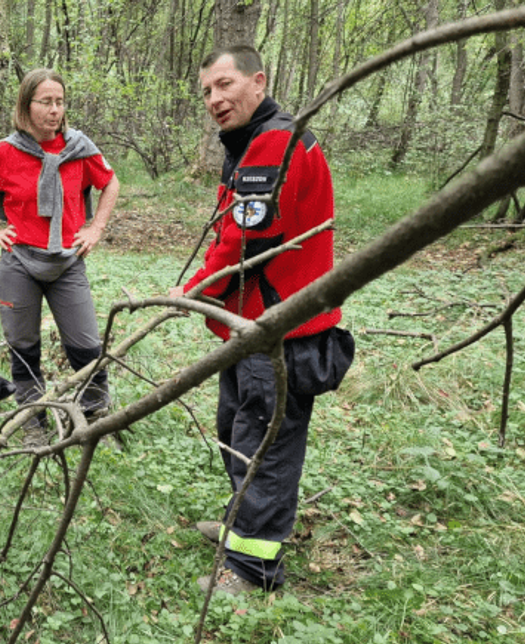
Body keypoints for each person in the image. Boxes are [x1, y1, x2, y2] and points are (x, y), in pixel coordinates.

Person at [169, 46, 354, 595]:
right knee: (238, 430)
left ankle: (251, 570)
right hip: (252, 328)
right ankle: (240, 528)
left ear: (258, 82)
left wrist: (195, 291)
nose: (215, 100)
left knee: (264, 446)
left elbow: (246, 241)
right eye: (206, 92)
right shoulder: (254, 140)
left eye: (224, 85)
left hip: (279, 334)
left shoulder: (274, 141)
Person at [0, 68, 120, 447]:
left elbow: (110, 182)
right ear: (26, 105)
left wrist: (96, 227)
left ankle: (96, 415)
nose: (54, 110)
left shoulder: (79, 148)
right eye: (45, 102)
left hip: (67, 262)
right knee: (23, 344)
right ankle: (32, 419)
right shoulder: (5, 151)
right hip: (20, 262)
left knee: (85, 344)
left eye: (60, 102)